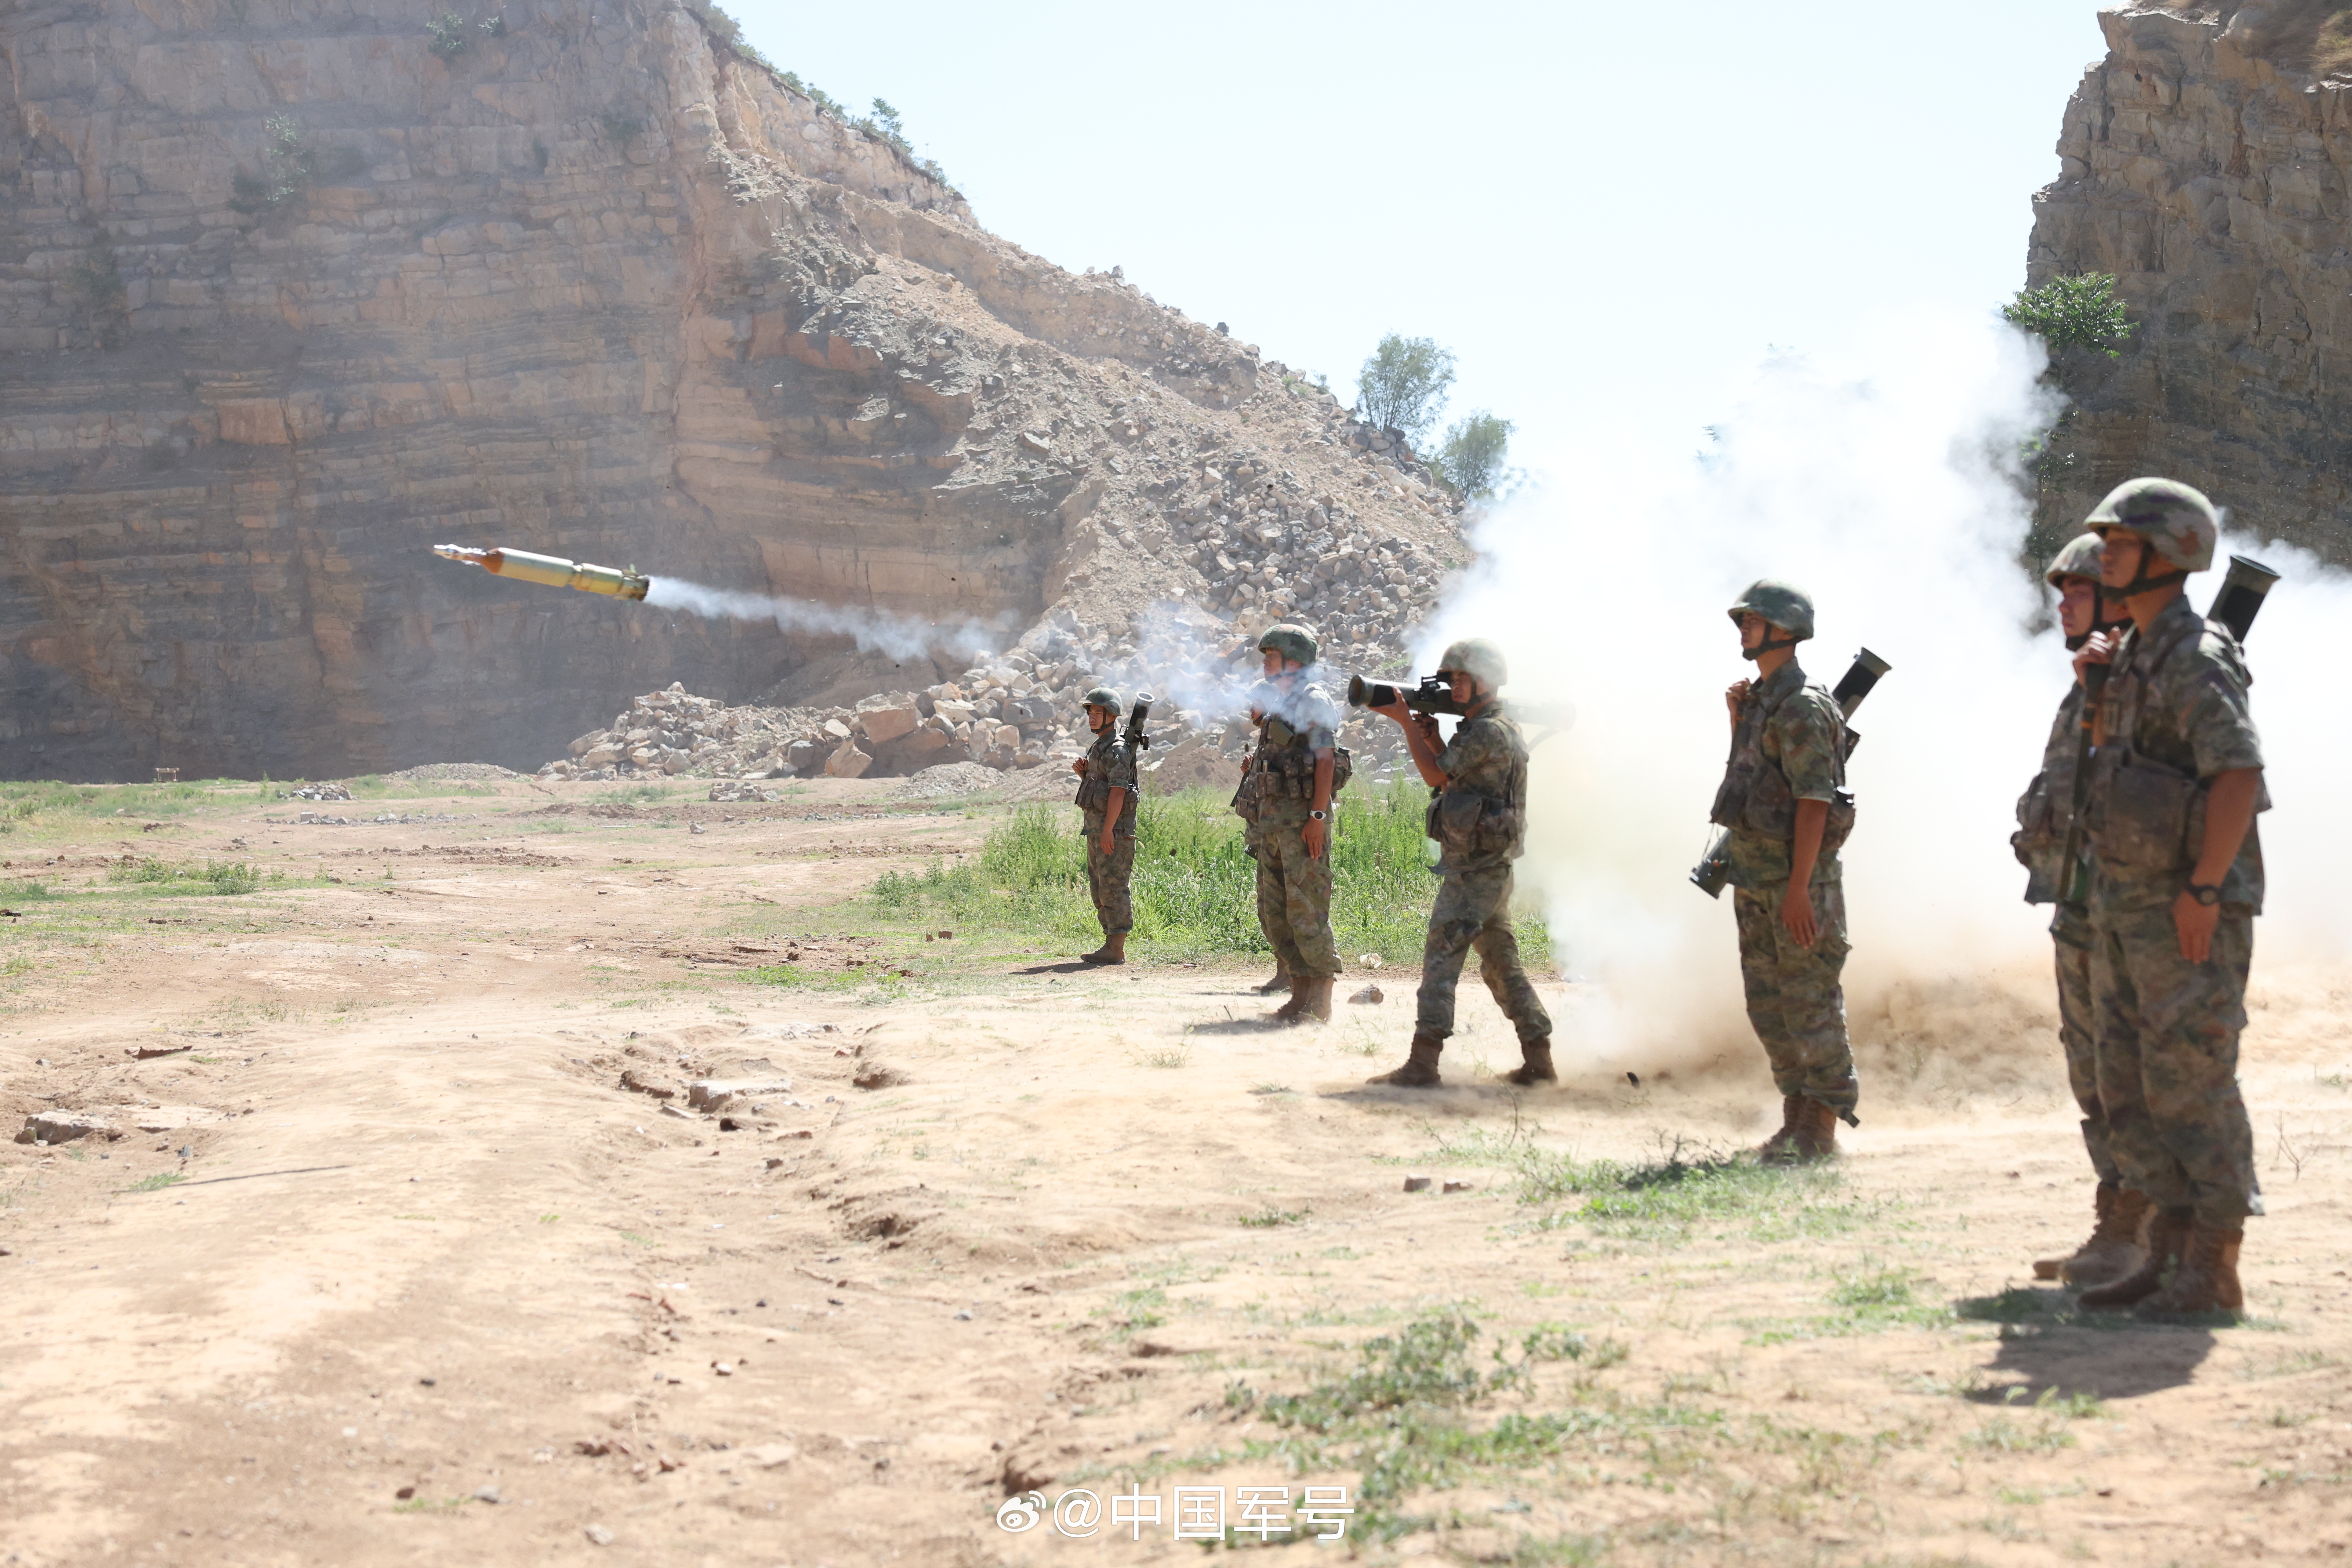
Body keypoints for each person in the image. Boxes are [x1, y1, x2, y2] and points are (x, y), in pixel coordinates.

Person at [2072, 477, 2266, 1317]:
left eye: (2119, 544)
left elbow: (2237, 775)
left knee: (2191, 1079)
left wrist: (2203, 889)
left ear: (2169, 554)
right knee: (2133, 1084)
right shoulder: (2136, 656)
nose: (2104, 556)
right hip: (2126, 907)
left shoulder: (2194, 654)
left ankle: (2213, 1266)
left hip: (2184, 910)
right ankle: (2167, 1250)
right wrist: (2095, 695)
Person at [2013, 534, 2145, 1287]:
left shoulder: (2141, 680)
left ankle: (2142, 1230)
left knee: (2126, 1073)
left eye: (2079, 590)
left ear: (2118, 597)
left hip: (2127, 910)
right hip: (2080, 903)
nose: (2063, 603)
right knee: (2093, 1072)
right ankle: (2116, 1220)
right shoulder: (2088, 680)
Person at [1710, 581, 1858, 1162]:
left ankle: (1819, 1125)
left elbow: (1816, 801)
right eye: (1743, 620)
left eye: (1754, 620)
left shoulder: (1801, 705)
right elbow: (1750, 779)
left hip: (1799, 884)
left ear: (1785, 629)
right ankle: (1795, 1115)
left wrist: (1799, 889)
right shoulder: (1762, 700)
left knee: (1810, 1002)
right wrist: (1735, 719)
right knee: (1768, 1005)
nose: (1744, 628)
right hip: (1755, 877)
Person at [1363, 639, 1553, 1088]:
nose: (1454, 685)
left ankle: (1423, 1063)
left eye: (1463, 677)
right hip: (1486, 865)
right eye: (1452, 678)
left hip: (1476, 869)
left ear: (1486, 680)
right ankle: (1540, 1060)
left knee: (1440, 962)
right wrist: (1431, 736)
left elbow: (1436, 776)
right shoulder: (1485, 726)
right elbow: (1457, 771)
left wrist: (1406, 724)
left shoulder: (1488, 730)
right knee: (1502, 967)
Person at [1238, 624, 1345, 1023]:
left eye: (1272, 658)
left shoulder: (1313, 699)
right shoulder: (1280, 703)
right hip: (1273, 828)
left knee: (1307, 909)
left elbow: (1326, 760)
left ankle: (1320, 1001)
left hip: (1303, 825)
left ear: (1294, 662)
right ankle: (1299, 997)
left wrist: (1317, 817)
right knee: (1279, 911)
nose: (1265, 665)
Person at [1070, 686, 1139, 965]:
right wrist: (1084, 775)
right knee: (1100, 888)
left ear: (1111, 715)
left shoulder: (1117, 750)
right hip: (1097, 828)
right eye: (1091, 713)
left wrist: (1110, 829)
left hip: (1113, 830)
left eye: (1098, 713)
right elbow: (1100, 788)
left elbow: (1119, 792)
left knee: (1113, 886)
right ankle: (1110, 944)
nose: (1092, 718)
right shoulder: (1100, 747)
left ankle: (1116, 948)